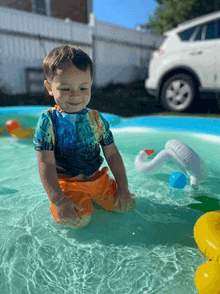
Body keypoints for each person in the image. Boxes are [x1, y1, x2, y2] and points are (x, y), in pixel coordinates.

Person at [33, 44, 136, 229]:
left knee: (126, 207)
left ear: (90, 84)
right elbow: (46, 164)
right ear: (49, 87)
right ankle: (74, 201)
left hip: (96, 178)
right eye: (65, 88)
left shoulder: (96, 119)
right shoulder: (48, 121)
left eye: (83, 88)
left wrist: (123, 188)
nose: (75, 96)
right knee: (78, 222)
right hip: (67, 183)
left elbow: (112, 154)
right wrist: (59, 200)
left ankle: (96, 195)